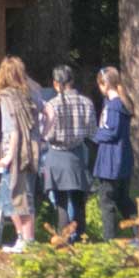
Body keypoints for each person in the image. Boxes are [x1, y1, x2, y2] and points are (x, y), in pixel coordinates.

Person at [0, 56, 42, 253]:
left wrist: (8, 156)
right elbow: (50, 113)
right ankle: (27, 239)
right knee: (24, 196)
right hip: (32, 151)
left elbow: (13, 130)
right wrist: (41, 137)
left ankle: (24, 239)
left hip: (15, 155)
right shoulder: (31, 93)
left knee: (14, 198)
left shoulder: (6, 97)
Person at [41, 66, 96, 242]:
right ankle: (81, 238)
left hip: (56, 156)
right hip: (77, 155)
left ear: (56, 83)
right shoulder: (86, 103)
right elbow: (92, 132)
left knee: (61, 203)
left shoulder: (51, 105)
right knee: (79, 202)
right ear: (72, 80)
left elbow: (47, 134)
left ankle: (63, 239)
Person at [92, 66, 137, 242]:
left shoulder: (115, 106)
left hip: (111, 163)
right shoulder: (115, 104)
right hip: (121, 160)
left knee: (107, 202)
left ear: (104, 84)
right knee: (123, 200)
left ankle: (109, 241)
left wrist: (93, 136)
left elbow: (111, 131)